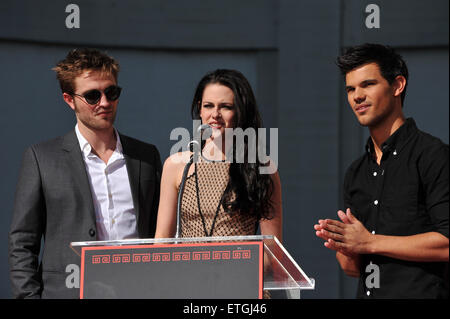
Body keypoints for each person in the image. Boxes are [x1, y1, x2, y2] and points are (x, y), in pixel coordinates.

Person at [9, 48, 162, 298]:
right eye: (92, 96)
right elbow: (23, 242)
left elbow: (160, 232)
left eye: (111, 92)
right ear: (69, 99)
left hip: (137, 290)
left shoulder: (146, 156)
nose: (104, 102)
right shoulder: (42, 158)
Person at [314, 43, 449, 298]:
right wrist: (344, 246)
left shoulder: (433, 155)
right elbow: (354, 269)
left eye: (368, 84)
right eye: (350, 89)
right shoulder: (356, 172)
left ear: (398, 85)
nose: (357, 96)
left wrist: (369, 242)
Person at [155, 69, 282, 242]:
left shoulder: (262, 167)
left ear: (241, 111)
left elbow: (272, 249)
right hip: (187, 268)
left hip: (239, 268)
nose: (215, 115)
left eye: (226, 107)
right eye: (208, 106)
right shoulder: (177, 165)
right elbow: (162, 239)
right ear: (199, 109)